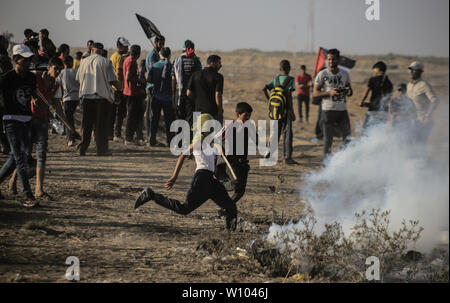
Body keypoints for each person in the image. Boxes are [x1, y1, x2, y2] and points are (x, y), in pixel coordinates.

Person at [134, 113, 238, 231]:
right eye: (208, 129)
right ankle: (152, 195)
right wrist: (174, 177)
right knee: (184, 209)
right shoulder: (198, 141)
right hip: (201, 179)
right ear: (203, 130)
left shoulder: (208, 142)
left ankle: (230, 234)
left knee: (231, 207)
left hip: (212, 181)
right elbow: (182, 155)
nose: (211, 131)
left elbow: (212, 148)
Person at [0, 44, 37, 206]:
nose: (28, 63)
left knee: (15, 158)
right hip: (10, 121)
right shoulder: (6, 78)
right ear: (15, 60)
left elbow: (32, 97)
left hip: (26, 120)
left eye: (29, 60)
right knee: (21, 157)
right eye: (25, 60)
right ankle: (28, 196)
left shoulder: (31, 77)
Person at [76, 42, 117, 156]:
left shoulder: (83, 62)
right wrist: (120, 88)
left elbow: (78, 79)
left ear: (91, 50)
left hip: (86, 96)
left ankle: (82, 149)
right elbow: (111, 80)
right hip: (101, 97)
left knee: (86, 124)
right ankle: (101, 150)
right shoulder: (106, 62)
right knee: (100, 125)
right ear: (101, 51)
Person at [215, 102, 254, 216]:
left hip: (241, 162)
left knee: (240, 191)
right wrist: (220, 148)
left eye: (249, 116)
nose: (247, 118)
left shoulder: (249, 127)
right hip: (229, 160)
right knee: (235, 184)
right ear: (238, 114)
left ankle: (224, 210)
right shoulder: (229, 126)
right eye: (245, 115)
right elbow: (215, 140)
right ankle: (215, 187)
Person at [313, 48, 353, 157]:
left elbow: (350, 91)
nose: (331, 62)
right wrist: (329, 93)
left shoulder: (345, 74)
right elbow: (315, 93)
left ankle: (341, 159)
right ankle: (327, 163)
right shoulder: (322, 74)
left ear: (338, 60)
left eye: (333, 59)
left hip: (342, 111)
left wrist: (346, 91)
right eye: (329, 59)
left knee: (347, 137)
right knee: (328, 140)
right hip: (327, 111)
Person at [262, 59, 296, 165]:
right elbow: (289, 96)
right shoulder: (291, 79)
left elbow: (264, 88)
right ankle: (287, 157)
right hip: (286, 111)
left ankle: (269, 153)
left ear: (280, 69)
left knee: (274, 132)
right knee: (287, 133)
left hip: (275, 110)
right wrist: (292, 111)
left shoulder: (276, 79)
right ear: (289, 68)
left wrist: (269, 101)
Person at [148, 47, 176, 147]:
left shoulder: (154, 66)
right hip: (168, 98)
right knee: (169, 121)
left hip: (156, 96)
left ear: (160, 55)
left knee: (154, 119)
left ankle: (152, 139)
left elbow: (149, 80)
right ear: (169, 55)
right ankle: (170, 141)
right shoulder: (172, 67)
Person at [406, 61, 440, 143]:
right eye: (410, 69)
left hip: (422, 120)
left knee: (420, 144)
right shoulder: (409, 85)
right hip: (412, 120)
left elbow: (435, 101)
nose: (411, 72)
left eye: (413, 70)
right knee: (409, 144)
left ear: (420, 72)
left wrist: (427, 116)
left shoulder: (424, 85)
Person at [172, 40, 202, 126]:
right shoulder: (196, 61)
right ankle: (188, 138)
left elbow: (173, 80)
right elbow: (199, 77)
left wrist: (173, 96)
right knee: (190, 117)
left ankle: (179, 138)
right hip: (192, 94)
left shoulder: (176, 61)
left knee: (180, 117)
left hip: (180, 94)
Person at [187, 54, 224, 123]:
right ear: (212, 63)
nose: (220, 65)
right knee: (215, 133)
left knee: (198, 132)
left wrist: (198, 99)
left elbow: (188, 93)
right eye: (219, 63)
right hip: (213, 111)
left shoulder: (195, 75)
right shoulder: (218, 77)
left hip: (198, 111)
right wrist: (220, 110)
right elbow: (218, 94)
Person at [359, 61, 393, 130]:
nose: (373, 72)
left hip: (373, 111)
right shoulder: (389, 83)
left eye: (374, 70)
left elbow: (366, 92)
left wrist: (361, 101)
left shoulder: (373, 79)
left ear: (378, 70)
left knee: (366, 131)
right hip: (384, 112)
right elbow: (388, 98)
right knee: (379, 131)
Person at [123, 44, 146, 145]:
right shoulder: (131, 62)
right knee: (132, 116)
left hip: (130, 92)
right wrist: (140, 81)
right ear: (138, 53)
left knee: (133, 116)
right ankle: (128, 138)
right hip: (131, 92)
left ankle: (131, 137)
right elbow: (128, 77)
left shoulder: (128, 60)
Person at [145, 36, 165, 141]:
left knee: (154, 114)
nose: (162, 46)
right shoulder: (152, 55)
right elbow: (152, 72)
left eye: (163, 44)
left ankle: (152, 136)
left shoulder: (158, 55)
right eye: (160, 44)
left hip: (157, 88)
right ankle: (150, 137)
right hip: (152, 87)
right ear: (155, 43)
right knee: (151, 114)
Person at [110, 37, 130, 142]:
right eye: (126, 46)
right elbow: (118, 73)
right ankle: (117, 134)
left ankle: (110, 133)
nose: (127, 48)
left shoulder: (113, 56)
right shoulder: (120, 58)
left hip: (113, 88)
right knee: (120, 113)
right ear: (120, 46)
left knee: (113, 112)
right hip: (118, 88)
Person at [58, 55, 80, 147]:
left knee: (67, 120)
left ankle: (70, 139)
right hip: (76, 98)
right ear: (71, 63)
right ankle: (74, 135)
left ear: (64, 64)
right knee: (70, 118)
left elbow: (59, 86)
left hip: (67, 98)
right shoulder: (76, 71)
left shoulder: (62, 73)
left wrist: (60, 99)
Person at [0, 35, 13, 154]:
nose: (6, 44)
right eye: (4, 42)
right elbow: (9, 76)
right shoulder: (3, 58)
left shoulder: (4, 58)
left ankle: (5, 144)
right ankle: (6, 144)